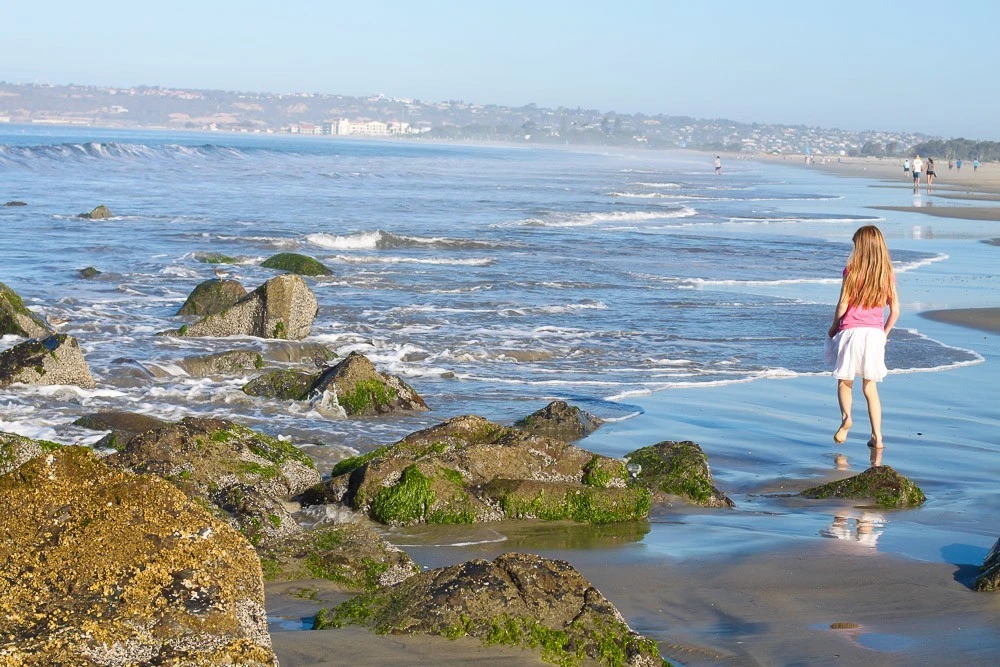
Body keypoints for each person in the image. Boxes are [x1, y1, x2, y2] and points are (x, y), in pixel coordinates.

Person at [826, 225, 900, 450]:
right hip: (874, 334)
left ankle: (846, 418)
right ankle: (877, 437)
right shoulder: (886, 274)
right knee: (870, 387)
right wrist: (884, 333)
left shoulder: (851, 270)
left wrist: (834, 327)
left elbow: (842, 305)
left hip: (851, 332)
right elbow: (895, 309)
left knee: (845, 381)